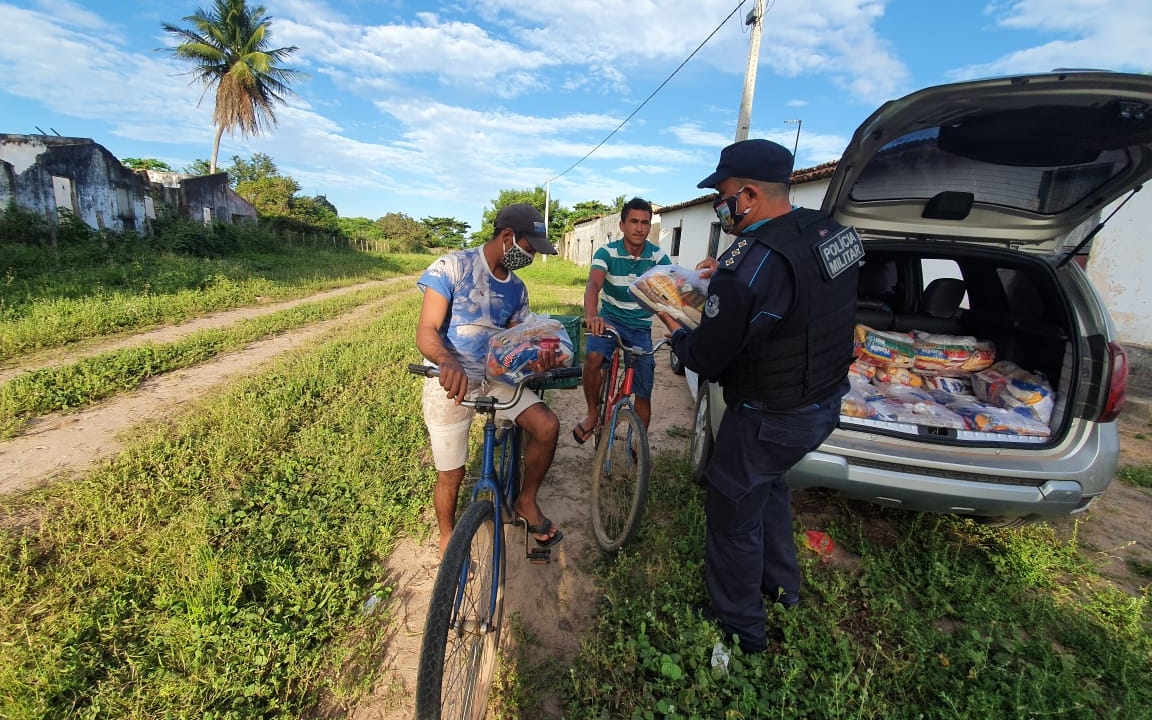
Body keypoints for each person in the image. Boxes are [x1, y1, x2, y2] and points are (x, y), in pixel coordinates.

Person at [656, 139, 861, 653]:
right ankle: (782, 587)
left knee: (732, 516)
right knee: (769, 490)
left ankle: (740, 628)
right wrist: (720, 281)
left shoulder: (748, 264)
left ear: (747, 195)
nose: (719, 206)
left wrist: (677, 328)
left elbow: (708, 356)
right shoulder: (829, 231)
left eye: (723, 196)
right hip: (821, 402)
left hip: (769, 414)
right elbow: (797, 299)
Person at [415, 203, 565, 556]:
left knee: (546, 426)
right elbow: (426, 329)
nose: (529, 258)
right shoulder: (453, 266)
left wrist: (536, 361)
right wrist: (446, 361)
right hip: (451, 377)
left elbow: (517, 342)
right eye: (528, 249)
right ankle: (448, 536)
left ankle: (526, 501)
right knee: (451, 473)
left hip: (496, 377)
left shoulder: (518, 290)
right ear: (508, 237)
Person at [573, 197, 672, 444]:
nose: (639, 228)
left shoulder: (658, 257)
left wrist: (678, 328)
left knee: (644, 390)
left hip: (641, 327)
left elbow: (671, 292)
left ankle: (638, 444)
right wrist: (592, 316)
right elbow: (593, 284)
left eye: (645, 223)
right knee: (594, 357)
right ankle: (593, 413)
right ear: (622, 225)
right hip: (610, 320)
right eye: (634, 222)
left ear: (650, 227)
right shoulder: (607, 252)